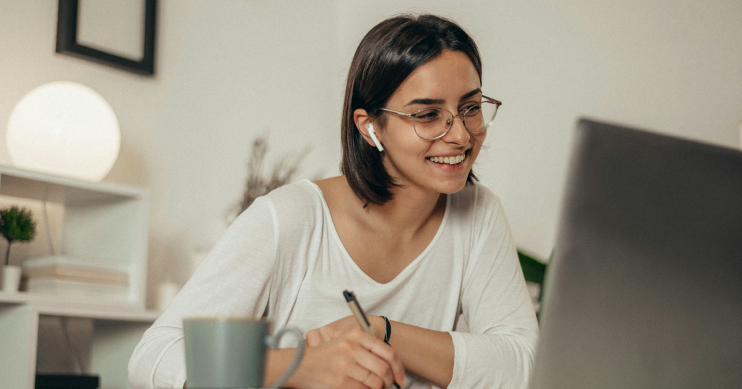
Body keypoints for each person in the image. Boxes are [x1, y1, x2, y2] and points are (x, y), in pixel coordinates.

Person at [129, 13, 538, 389]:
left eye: (469, 108)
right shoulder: (289, 217)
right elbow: (152, 356)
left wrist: (382, 330)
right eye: (427, 115)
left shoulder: (479, 213)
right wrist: (301, 365)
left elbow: (524, 365)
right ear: (370, 126)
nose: (463, 135)